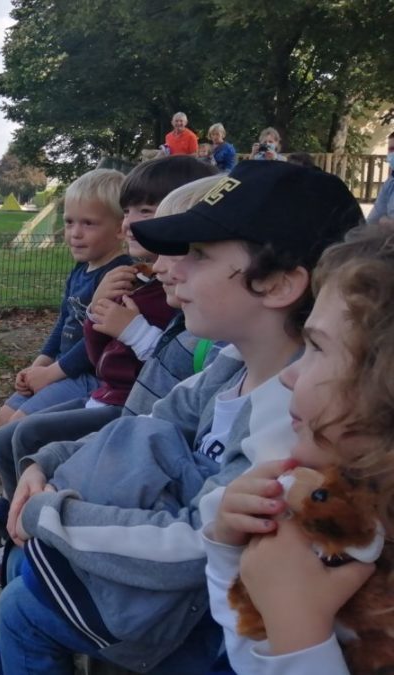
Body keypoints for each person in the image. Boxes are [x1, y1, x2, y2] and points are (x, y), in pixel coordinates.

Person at [0, 161, 362, 675]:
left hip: (194, 628)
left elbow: (198, 541)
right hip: (162, 594)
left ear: (279, 284)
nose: (172, 266)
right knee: (27, 573)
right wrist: (45, 463)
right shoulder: (229, 364)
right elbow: (146, 421)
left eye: (197, 254)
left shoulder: (293, 418)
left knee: (24, 601)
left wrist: (50, 514)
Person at [0, 166, 221, 600]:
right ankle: (16, 520)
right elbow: (100, 354)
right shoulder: (132, 279)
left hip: (128, 407)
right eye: (129, 210)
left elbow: (165, 371)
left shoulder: (172, 295)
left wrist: (124, 328)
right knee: (10, 437)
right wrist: (101, 311)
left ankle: (30, 539)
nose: (132, 221)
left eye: (146, 211)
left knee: (28, 433)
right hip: (109, 395)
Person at [204, 222, 394, 674]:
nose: (289, 374)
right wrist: (230, 553)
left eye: (316, 348)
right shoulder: (334, 503)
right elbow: (247, 658)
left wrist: (299, 629)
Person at [0, 169, 131, 427]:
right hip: (60, 368)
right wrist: (37, 367)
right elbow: (64, 323)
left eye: (88, 223)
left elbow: (98, 341)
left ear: (120, 229)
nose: (75, 233)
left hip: (89, 375)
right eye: (69, 222)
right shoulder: (81, 270)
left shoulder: (119, 277)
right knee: (4, 417)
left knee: (19, 425)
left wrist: (49, 374)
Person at [366, 130, 394, 226]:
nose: (392, 154)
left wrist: (386, 222)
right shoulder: (390, 183)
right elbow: (373, 220)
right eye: (391, 150)